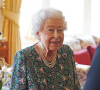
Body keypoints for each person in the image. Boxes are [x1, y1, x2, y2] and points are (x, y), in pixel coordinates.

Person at [10, 8, 80, 90]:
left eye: (60, 30)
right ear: (38, 33)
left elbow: (76, 86)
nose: (56, 35)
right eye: (50, 30)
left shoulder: (66, 52)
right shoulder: (24, 57)